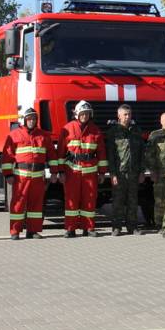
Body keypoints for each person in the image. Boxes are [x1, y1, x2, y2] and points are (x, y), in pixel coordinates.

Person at [0, 107, 59, 240]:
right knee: (18, 204)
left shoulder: (44, 136)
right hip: (21, 176)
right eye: (29, 118)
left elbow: (52, 156)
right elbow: (7, 156)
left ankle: (33, 230)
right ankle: (15, 231)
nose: (32, 121)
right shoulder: (14, 135)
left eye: (34, 118)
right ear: (24, 120)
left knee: (36, 205)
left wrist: (54, 172)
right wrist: (8, 174)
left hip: (38, 176)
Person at [58, 101, 107, 237]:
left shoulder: (95, 130)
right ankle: (70, 229)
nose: (84, 116)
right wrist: (60, 171)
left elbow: (101, 153)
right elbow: (61, 153)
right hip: (72, 171)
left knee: (89, 201)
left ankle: (89, 228)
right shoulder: (67, 129)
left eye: (87, 114)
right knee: (71, 200)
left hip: (90, 172)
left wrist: (102, 172)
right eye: (82, 113)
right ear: (77, 114)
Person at [104, 104, 147, 236]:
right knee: (118, 201)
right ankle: (116, 227)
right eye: (125, 115)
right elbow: (110, 154)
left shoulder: (136, 131)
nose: (127, 117)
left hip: (134, 172)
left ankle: (132, 227)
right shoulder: (113, 133)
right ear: (119, 116)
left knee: (133, 201)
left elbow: (142, 153)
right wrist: (112, 174)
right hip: (119, 173)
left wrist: (142, 172)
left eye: (129, 114)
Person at [146, 112, 165, 231]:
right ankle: (159, 224)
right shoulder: (155, 135)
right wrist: (152, 171)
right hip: (160, 174)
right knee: (160, 201)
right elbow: (149, 155)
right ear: (161, 121)